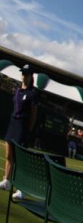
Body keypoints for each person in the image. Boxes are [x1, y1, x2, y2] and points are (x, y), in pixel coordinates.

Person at [0, 64, 39, 200]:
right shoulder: (17, 91)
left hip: (22, 127)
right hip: (12, 124)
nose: (24, 76)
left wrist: (28, 130)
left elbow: (33, 115)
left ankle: (22, 189)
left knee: (20, 160)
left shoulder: (32, 94)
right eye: (22, 73)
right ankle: (6, 181)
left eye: (26, 74)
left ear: (30, 77)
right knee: (9, 154)